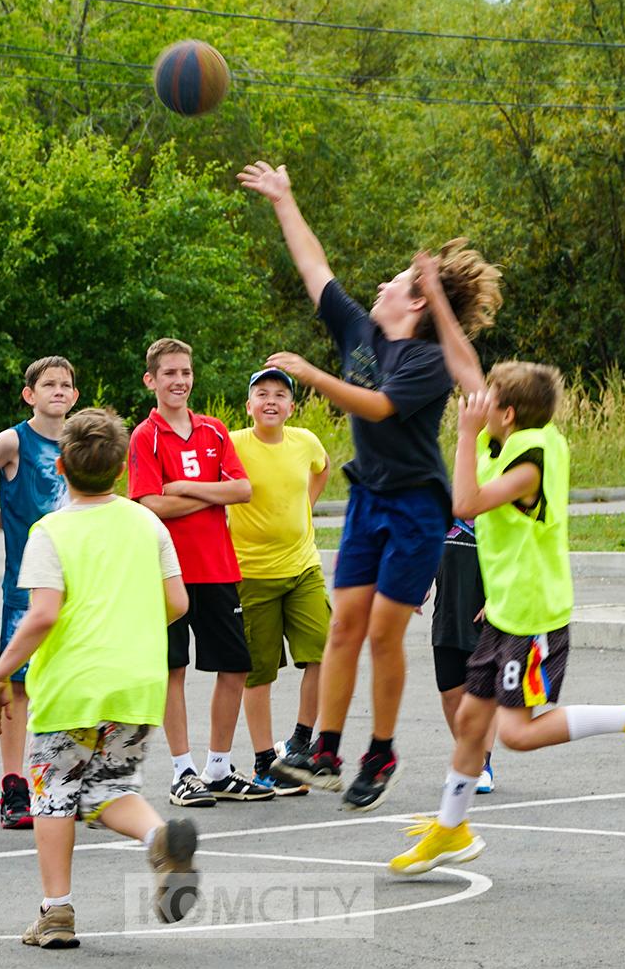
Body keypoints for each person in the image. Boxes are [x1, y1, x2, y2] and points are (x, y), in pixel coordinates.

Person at [387, 255, 625, 876]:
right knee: (470, 717)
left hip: (534, 617)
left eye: (486, 401)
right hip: (509, 609)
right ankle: (451, 829)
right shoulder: (511, 439)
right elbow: (467, 366)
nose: (476, 401)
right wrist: (436, 296)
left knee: (515, 732)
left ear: (507, 413)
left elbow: (464, 503)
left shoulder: (531, 459)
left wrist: (462, 438)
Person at [239, 160, 502, 811]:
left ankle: (379, 749)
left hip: (415, 506)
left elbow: (378, 406)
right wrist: (283, 200)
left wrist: (309, 372)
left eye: (395, 282)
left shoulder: (428, 361)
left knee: (385, 631)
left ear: (416, 303)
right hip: (368, 497)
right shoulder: (361, 330)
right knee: (342, 629)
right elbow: (313, 268)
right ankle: (324, 750)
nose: (380, 285)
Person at [0, 408, 201, 948]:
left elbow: (42, 615)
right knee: (109, 787)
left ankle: (56, 911)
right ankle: (158, 837)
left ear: (60, 466)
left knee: (54, 791)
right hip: (137, 684)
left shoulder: (50, 531)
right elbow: (177, 600)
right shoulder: (146, 522)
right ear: (123, 467)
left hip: (72, 686)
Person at [128, 338, 271, 804]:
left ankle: (217, 767)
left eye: (185, 372)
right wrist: (212, 491)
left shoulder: (214, 431)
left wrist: (186, 487)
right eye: (169, 373)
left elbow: (243, 490)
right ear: (152, 380)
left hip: (217, 567)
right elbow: (150, 504)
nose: (180, 381)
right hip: (167, 572)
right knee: (174, 669)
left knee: (234, 666)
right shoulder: (143, 436)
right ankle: (181, 771)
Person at [0, 356, 78, 829]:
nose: (58, 392)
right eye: (49, 384)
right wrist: (0, 520)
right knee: (18, 687)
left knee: (66, 682)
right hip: (27, 583)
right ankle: (14, 785)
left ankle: (60, 778)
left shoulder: (80, 438)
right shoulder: (14, 441)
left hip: (77, 582)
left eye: (66, 385)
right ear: (29, 394)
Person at [227, 367, 331, 794]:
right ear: (249, 406)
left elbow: (321, 470)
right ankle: (264, 762)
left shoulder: (305, 441)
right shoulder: (231, 444)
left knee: (324, 651)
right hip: (251, 574)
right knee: (259, 673)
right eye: (262, 394)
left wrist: (305, 505)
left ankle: (301, 743)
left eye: (280, 395)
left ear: (291, 406)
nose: (271, 401)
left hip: (303, 567)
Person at [431, 518, 496, 794]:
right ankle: (467, 757)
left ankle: (481, 765)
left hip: (483, 610)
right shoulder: (445, 505)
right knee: (449, 691)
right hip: (447, 610)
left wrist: (498, 597)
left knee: (482, 693)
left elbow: (514, 555)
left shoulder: (497, 505)